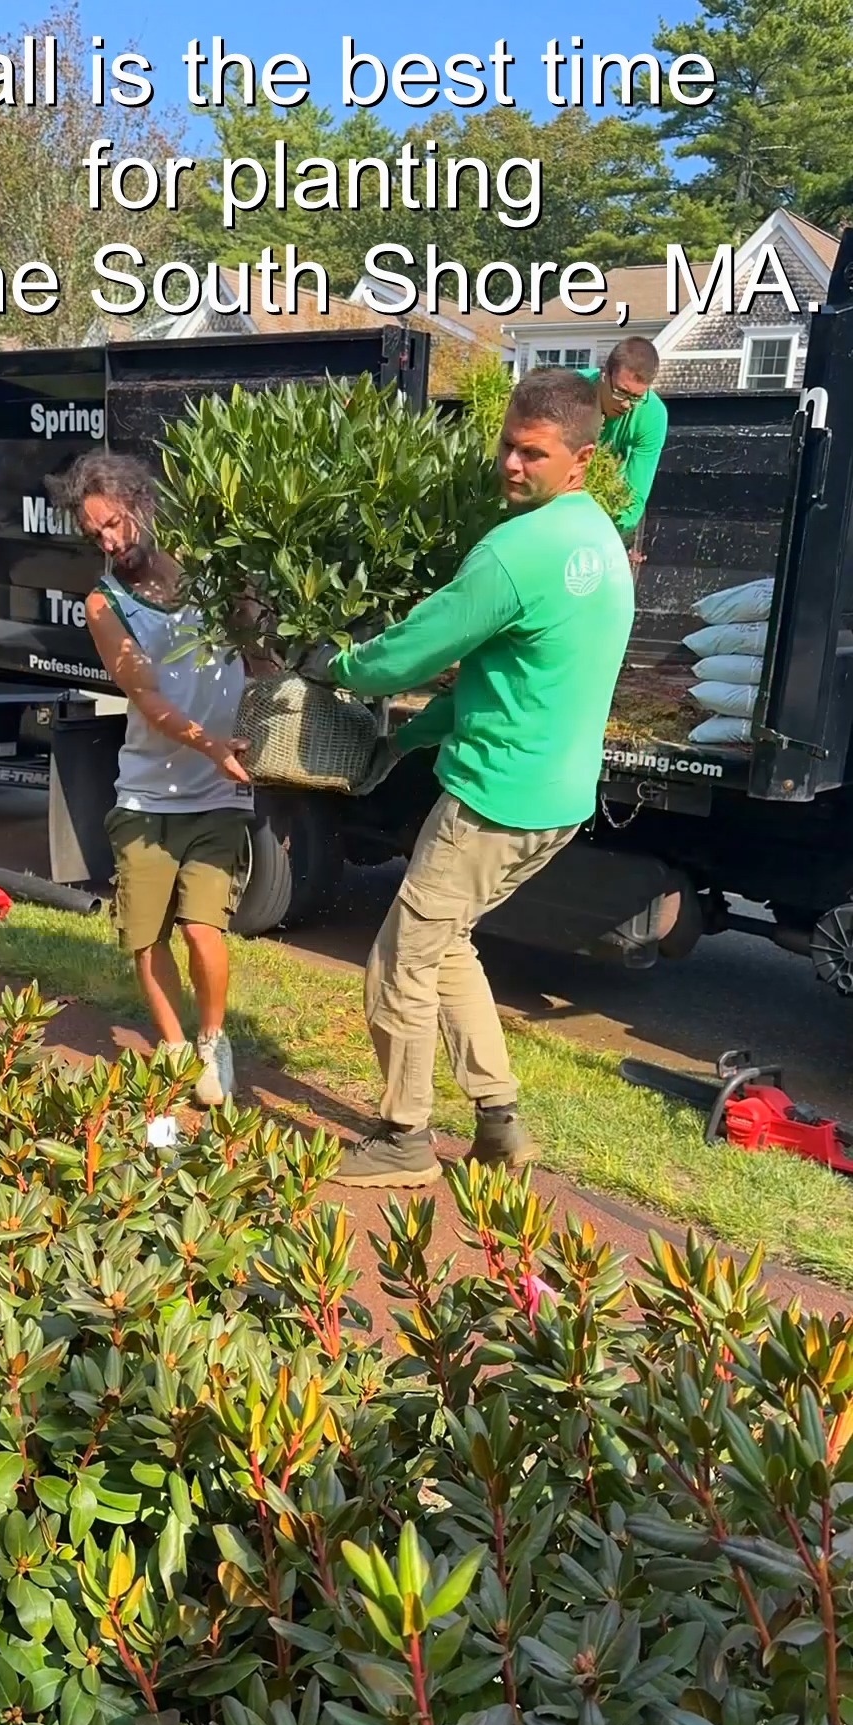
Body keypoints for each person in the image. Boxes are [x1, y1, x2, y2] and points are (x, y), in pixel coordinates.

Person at [305, 368, 635, 1188]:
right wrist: (413, 739)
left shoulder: (515, 552)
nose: (512, 465)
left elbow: (409, 653)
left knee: (400, 964)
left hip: (493, 800)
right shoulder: (597, 537)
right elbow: (519, 674)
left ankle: (403, 1138)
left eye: (533, 453)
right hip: (559, 799)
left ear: (581, 459)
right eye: (508, 446)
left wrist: (337, 665)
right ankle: (499, 1122)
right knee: (445, 944)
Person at [51, 451, 253, 1107]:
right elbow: (147, 696)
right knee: (146, 935)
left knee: (201, 929)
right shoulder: (104, 604)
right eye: (95, 534)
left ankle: (213, 1042)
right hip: (144, 797)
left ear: (140, 503)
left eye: (113, 524)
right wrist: (208, 743)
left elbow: (260, 646)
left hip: (217, 795)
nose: (108, 542)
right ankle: (172, 1045)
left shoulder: (211, 571)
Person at [584, 337, 668, 558]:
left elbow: (634, 498)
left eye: (636, 397)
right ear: (604, 373)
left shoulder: (652, 415)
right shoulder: (570, 392)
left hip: (604, 520)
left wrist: (605, 542)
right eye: (620, 392)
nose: (626, 404)